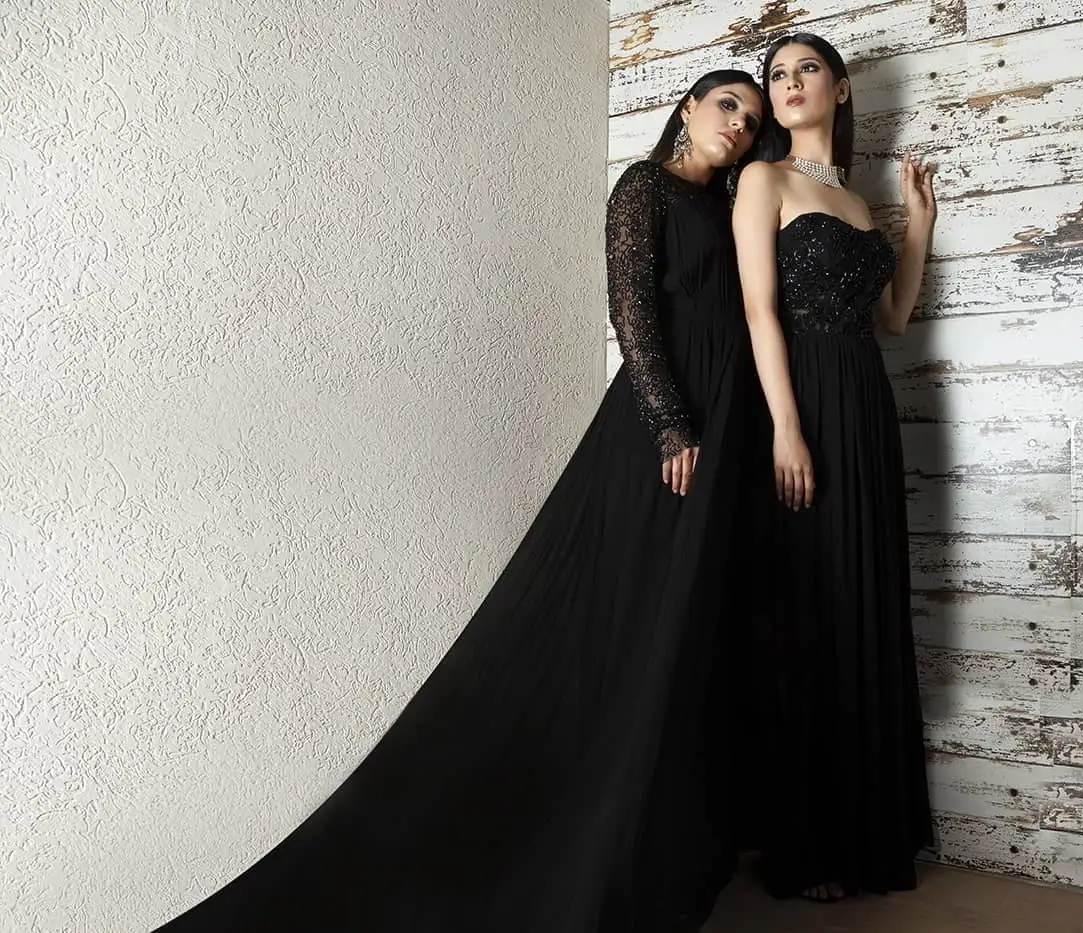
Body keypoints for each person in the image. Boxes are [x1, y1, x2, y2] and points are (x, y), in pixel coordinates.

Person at [153, 69, 766, 933]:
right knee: (627, 615)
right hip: (664, 429)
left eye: (752, 118)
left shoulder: (733, 203)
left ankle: (658, 830)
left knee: (685, 619)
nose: (739, 124)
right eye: (727, 104)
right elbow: (631, 307)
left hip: (725, 423)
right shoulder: (645, 187)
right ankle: (578, 834)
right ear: (689, 108)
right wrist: (669, 421)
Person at [731, 33, 937, 903]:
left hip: (864, 405)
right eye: (776, 75)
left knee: (861, 598)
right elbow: (757, 310)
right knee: (809, 602)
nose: (789, 84)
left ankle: (864, 833)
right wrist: (785, 427)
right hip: (802, 402)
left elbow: (892, 317)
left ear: (841, 88)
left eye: (806, 69)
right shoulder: (764, 180)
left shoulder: (854, 200)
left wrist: (918, 226)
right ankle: (807, 842)